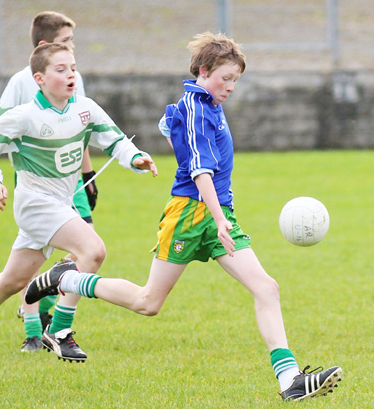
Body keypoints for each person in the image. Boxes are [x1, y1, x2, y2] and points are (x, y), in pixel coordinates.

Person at [25, 32, 343, 402]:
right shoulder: (195, 107)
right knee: (148, 302)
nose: (231, 87)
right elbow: (200, 171)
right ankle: (70, 279)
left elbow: (180, 137)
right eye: (226, 78)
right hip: (191, 216)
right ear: (204, 71)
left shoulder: (207, 104)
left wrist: (221, 213)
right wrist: (218, 217)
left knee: (266, 287)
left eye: (235, 80)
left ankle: (289, 379)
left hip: (216, 214)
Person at [0, 42, 158, 380]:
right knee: (93, 250)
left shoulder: (84, 109)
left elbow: (114, 140)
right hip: (35, 205)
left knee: (11, 282)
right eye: (61, 69)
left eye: (73, 67)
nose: (71, 74)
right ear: (39, 78)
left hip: (59, 204)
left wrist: (136, 158)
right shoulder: (24, 117)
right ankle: (59, 329)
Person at [0, 11, 99, 356]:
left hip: (70, 180)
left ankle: (45, 320)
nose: (72, 52)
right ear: (44, 47)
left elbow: (82, 128)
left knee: (79, 251)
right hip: (37, 182)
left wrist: (87, 175)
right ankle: (36, 330)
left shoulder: (74, 77)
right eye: (66, 42)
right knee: (37, 257)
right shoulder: (20, 82)